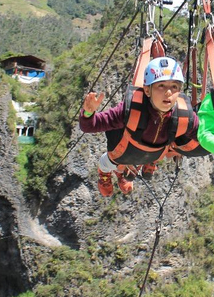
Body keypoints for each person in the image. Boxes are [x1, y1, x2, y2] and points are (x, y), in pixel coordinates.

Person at [80, 57, 199, 196]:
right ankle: (108, 174)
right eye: (161, 85)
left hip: (150, 153)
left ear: (179, 91)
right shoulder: (131, 110)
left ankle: (123, 171)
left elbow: (203, 135)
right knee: (107, 163)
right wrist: (88, 113)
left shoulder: (184, 116)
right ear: (147, 90)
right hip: (123, 153)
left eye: (174, 87)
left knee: (161, 142)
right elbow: (91, 126)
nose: (168, 93)